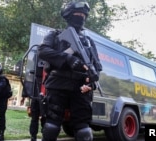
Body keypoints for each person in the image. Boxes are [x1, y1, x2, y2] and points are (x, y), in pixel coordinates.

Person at [37, 1, 102, 141]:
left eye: (83, 15)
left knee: (84, 129)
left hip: (81, 88)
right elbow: (42, 51)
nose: (81, 17)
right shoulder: (55, 35)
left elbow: (97, 67)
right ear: (68, 15)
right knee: (52, 125)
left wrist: (91, 84)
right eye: (77, 14)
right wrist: (67, 58)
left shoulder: (89, 41)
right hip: (58, 84)